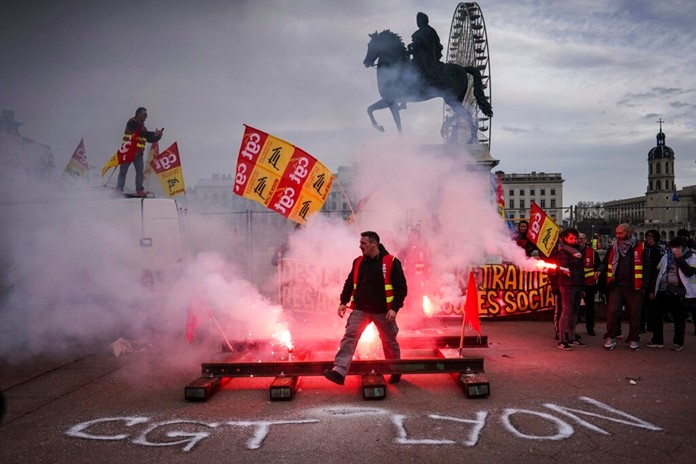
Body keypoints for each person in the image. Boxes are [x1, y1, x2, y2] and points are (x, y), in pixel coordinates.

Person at [323, 231, 408, 385]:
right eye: (360, 243)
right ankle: (339, 371)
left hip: (383, 312)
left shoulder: (391, 261)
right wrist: (343, 301)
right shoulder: (358, 262)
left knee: (389, 341)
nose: (360, 246)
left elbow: (401, 288)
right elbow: (349, 283)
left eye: (363, 243)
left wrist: (394, 309)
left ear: (374, 244)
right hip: (360, 310)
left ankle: (395, 370)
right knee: (349, 337)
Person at [600, 223, 647, 351]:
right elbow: (606, 262)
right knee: (612, 312)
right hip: (617, 286)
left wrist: (645, 286)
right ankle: (611, 337)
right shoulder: (613, 246)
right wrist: (600, 270)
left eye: (620, 233)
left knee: (634, 314)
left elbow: (647, 268)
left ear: (629, 233)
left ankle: (634, 339)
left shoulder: (641, 247)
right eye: (616, 233)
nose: (617, 236)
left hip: (635, 287)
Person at [646, 236, 696, 351]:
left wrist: (679, 258)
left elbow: (689, 272)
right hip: (663, 289)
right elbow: (657, 273)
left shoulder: (692, 257)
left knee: (678, 317)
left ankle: (678, 342)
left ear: (682, 247)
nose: (673, 250)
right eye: (672, 247)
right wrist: (653, 290)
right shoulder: (665, 257)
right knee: (657, 314)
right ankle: (657, 340)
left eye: (676, 247)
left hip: (679, 291)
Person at [116, 107, 163, 196]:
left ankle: (139, 190)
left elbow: (149, 139)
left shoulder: (144, 128)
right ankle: (119, 189)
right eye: (144, 114)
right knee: (123, 170)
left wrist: (158, 136)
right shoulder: (132, 122)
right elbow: (138, 132)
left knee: (140, 171)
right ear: (138, 113)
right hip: (128, 152)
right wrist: (154, 133)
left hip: (138, 154)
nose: (146, 116)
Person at [555, 228, 586, 350]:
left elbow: (581, 270)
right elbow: (560, 267)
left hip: (577, 284)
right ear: (565, 239)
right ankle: (562, 340)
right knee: (566, 312)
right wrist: (565, 270)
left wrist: (582, 287)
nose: (575, 240)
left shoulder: (577, 251)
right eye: (571, 238)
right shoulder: (563, 252)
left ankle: (572, 337)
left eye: (576, 238)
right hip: (567, 285)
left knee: (574, 312)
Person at [408, 12, 445, 87]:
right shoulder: (421, 31)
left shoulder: (427, 30)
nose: (417, 22)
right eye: (417, 20)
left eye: (419, 20)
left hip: (427, 53)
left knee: (424, 64)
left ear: (424, 20)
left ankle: (432, 77)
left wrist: (412, 45)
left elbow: (420, 42)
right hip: (419, 53)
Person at [399, 226, 431, 313]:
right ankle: (411, 318)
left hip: (419, 279)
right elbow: (399, 261)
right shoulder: (405, 249)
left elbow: (427, 263)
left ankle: (419, 317)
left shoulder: (423, 249)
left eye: (413, 235)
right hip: (407, 277)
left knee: (418, 296)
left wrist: (425, 277)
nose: (410, 237)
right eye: (410, 236)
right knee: (408, 297)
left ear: (417, 236)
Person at [578, 232, 601, 336]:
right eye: (577, 238)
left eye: (581, 238)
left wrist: (598, 273)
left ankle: (590, 328)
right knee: (574, 308)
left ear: (586, 240)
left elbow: (598, 266)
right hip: (576, 284)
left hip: (589, 284)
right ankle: (572, 329)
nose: (579, 240)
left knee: (590, 308)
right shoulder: (571, 252)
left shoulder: (592, 252)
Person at [641, 229, 663, 333]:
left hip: (653, 281)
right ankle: (641, 326)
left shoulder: (658, 250)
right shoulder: (643, 249)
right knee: (641, 306)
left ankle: (650, 326)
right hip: (643, 281)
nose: (649, 238)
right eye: (648, 236)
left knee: (652, 306)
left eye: (651, 236)